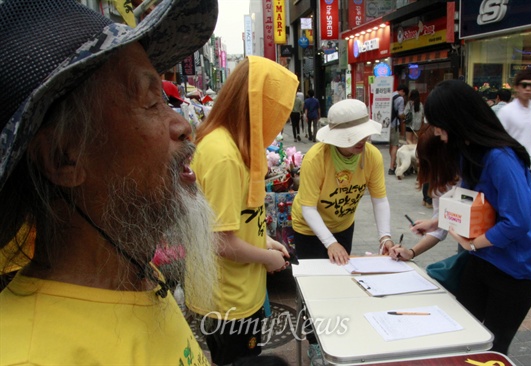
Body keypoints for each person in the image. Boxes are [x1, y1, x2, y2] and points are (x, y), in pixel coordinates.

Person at [0, 0, 219, 364]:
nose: (183, 126)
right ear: (63, 158)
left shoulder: (135, 271)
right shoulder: (30, 354)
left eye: (165, 100)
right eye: (150, 103)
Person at [188, 56, 297, 365]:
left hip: (237, 292)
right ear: (257, 104)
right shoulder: (224, 155)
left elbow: (234, 223)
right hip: (228, 302)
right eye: (277, 109)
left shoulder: (234, 145)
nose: (279, 119)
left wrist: (266, 242)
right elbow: (219, 242)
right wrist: (268, 257)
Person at [421, 79, 531, 355]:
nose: (437, 132)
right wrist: (436, 221)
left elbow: (518, 223)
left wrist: (473, 243)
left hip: (513, 271)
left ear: (457, 119)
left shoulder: (501, 158)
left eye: (439, 124)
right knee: (461, 336)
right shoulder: (469, 153)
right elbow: (467, 205)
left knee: (492, 350)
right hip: (481, 262)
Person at [291, 99, 395, 365]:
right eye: (353, 137)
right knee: (315, 290)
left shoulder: (370, 156)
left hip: (343, 225)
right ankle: (315, 344)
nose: (362, 141)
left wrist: (385, 236)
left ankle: (339, 336)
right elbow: (308, 207)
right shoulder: (317, 157)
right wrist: (329, 243)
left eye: (364, 134)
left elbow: (379, 199)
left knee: (339, 282)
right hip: (309, 229)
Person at [390, 126, 458, 261]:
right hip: (468, 246)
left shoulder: (467, 176)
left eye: (426, 160)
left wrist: (436, 223)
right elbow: (440, 228)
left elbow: (462, 218)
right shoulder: (439, 180)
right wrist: (410, 253)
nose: (420, 164)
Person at [497, 69, 531, 206]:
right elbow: (498, 140)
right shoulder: (506, 112)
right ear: (516, 87)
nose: (528, 89)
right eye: (524, 85)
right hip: (513, 166)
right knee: (515, 206)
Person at [388, 84, 408, 175]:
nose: (403, 96)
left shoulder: (390, 95)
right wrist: (404, 117)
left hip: (386, 124)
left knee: (390, 145)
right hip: (394, 125)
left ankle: (393, 164)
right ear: (403, 91)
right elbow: (400, 114)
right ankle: (392, 167)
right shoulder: (400, 99)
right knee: (395, 145)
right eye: (404, 94)